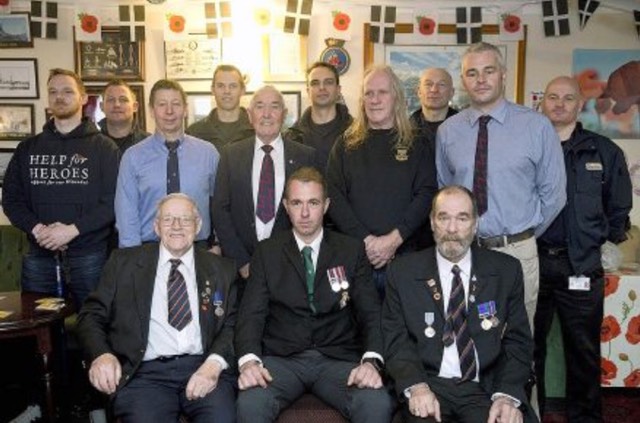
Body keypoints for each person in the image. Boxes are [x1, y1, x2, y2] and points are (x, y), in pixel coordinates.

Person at [235, 167, 393, 423]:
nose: (305, 213)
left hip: (338, 359)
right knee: (250, 404)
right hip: (281, 360)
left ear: (326, 205)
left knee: (376, 403)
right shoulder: (267, 252)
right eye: (297, 203)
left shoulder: (351, 250)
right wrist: (249, 363)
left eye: (313, 203)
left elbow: (371, 313)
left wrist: (371, 361)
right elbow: (251, 315)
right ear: (286, 206)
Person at [436, 42, 566, 331]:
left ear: (503, 75)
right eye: (472, 73)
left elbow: (554, 196)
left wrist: (523, 235)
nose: (481, 79)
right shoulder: (448, 131)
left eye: (489, 70)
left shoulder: (537, 127)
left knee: (517, 339)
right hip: (465, 251)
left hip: (518, 252)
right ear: (463, 80)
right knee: (465, 333)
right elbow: (445, 192)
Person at [77, 194, 238, 422]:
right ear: (156, 226)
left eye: (185, 219)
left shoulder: (223, 269)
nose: (176, 226)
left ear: (198, 226)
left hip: (203, 366)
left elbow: (232, 323)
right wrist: (101, 355)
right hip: (145, 374)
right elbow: (90, 316)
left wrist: (213, 365)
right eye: (168, 219)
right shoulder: (123, 264)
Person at [383, 185, 537, 423]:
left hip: (485, 387)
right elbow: (395, 339)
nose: (452, 229)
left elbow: (518, 341)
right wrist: (416, 386)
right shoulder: (402, 272)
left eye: (462, 218)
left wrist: (506, 396)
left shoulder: (506, 271)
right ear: (432, 222)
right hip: (429, 384)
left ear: (475, 224)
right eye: (443, 218)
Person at [534, 76, 632, 422]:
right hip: (534, 264)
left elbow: (620, 205)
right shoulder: (529, 147)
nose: (559, 103)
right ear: (542, 102)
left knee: (584, 352)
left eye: (568, 98)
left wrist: (603, 241)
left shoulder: (604, 151)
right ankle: (530, 414)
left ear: (580, 105)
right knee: (527, 349)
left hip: (581, 266)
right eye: (553, 97)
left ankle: (585, 419)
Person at [2, 68, 119, 308]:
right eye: (53, 92)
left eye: (67, 91)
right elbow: (11, 200)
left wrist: (72, 230)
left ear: (83, 98)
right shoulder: (28, 148)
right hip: (39, 255)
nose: (59, 97)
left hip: (90, 256)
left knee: (95, 323)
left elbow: (113, 202)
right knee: (38, 326)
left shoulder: (105, 149)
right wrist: (38, 230)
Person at [326, 65, 437, 297]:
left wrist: (393, 240)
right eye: (369, 93)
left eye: (382, 92)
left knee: (403, 331)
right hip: (357, 259)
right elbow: (333, 196)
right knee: (358, 332)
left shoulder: (418, 142)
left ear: (396, 97)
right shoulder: (345, 144)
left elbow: (427, 194)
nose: (374, 99)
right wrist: (365, 241)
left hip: (406, 258)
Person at [212, 85, 316, 281]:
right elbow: (220, 210)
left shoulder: (305, 156)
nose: (267, 114)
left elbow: (312, 213)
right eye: (260, 107)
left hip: (291, 268)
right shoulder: (230, 155)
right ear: (250, 115)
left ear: (284, 114)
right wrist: (241, 261)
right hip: (241, 269)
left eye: (274, 107)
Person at [115, 79, 218, 248]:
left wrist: (218, 244)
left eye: (176, 104)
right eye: (162, 104)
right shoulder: (133, 157)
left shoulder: (208, 153)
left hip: (199, 249)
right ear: (151, 110)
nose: (169, 111)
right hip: (149, 249)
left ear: (185, 109)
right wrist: (132, 257)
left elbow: (220, 206)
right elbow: (126, 214)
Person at [285, 62, 352, 169]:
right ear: (308, 91)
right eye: (315, 83)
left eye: (328, 82)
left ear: (338, 90)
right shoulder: (292, 137)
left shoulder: (356, 134)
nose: (322, 87)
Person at [186, 64, 254, 150]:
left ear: (243, 90)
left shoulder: (256, 130)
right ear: (213, 90)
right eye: (221, 86)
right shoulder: (194, 133)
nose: (227, 91)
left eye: (233, 86)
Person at [410, 67, 458, 148]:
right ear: (419, 92)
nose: (434, 90)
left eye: (441, 85)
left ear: (451, 92)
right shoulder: (403, 132)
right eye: (428, 84)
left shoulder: (467, 130)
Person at [98, 79, 149, 153]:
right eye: (111, 100)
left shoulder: (151, 144)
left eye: (123, 100)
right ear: (102, 106)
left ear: (135, 107)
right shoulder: (90, 145)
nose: (117, 105)